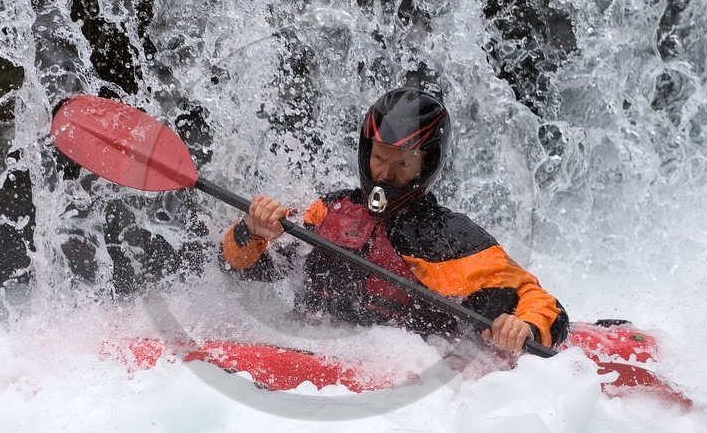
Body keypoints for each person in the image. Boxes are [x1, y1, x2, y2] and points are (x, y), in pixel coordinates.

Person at [219, 88, 569, 353]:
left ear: (426, 167)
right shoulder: (328, 210)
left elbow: (541, 301)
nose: (384, 174)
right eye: (380, 158)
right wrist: (252, 230)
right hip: (308, 348)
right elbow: (242, 268)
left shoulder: (449, 238)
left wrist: (525, 327)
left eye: (403, 164)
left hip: (391, 365)